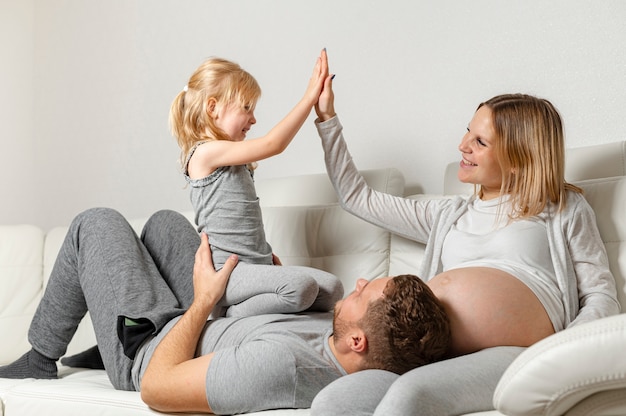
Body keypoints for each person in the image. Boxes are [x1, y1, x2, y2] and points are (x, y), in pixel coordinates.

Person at [309, 56, 620, 415]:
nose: (462, 145)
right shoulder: (448, 214)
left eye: (480, 141)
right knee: (333, 401)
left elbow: (599, 293)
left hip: (518, 355)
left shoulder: (562, 209)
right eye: (467, 131)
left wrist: (563, 352)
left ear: (519, 158)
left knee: (410, 395)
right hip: (429, 356)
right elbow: (356, 197)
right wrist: (326, 118)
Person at [0, 207, 450, 414]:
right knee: (165, 224)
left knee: (95, 224)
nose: (359, 282)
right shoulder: (341, 336)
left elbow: (158, 387)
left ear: (359, 342)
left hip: (151, 348)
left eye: (366, 292)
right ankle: (104, 335)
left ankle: (40, 359)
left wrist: (203, 300)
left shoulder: (282, 367)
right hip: (207, 319)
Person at [169, 50, 343, 318]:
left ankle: (250, 303)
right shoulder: (204, 153)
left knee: (332, 289)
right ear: (213, 107)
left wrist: (265, 262)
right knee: (300, 289)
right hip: (229, 273)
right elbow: (274, 144)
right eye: (246, 108)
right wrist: (309, 99)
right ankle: (227, 315)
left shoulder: (230, 156)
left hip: (258, 264)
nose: (253, 119)